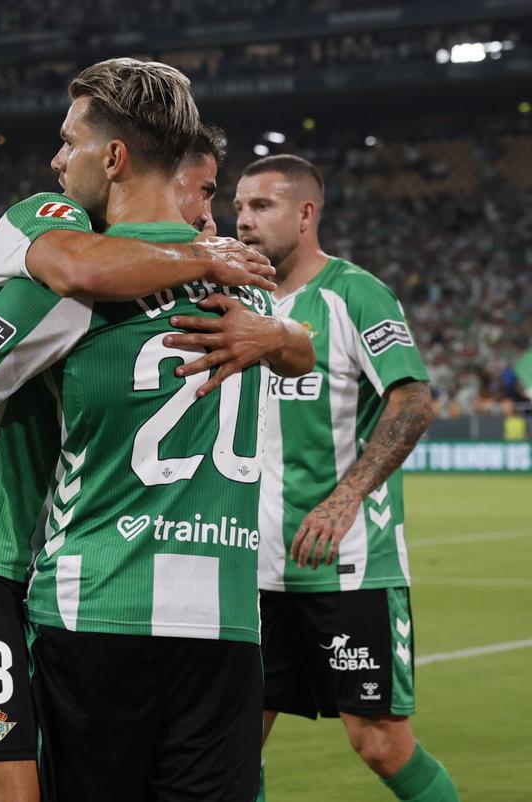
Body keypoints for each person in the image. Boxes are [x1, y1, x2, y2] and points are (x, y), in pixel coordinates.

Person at [0, 59, 313, 801]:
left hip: (96, 607)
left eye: (70, 141)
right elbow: (301, 348)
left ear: (114, 157)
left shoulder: (71, 281)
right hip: (226, 620)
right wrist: (279, 338)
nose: (59, 160)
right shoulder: (246, 279)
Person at [237, 154, 459, 802]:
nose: (244, 221)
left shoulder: (353, 294)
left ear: (306, 214)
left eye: (262, 206)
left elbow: (414, 400)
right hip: (252, 566)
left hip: (347, 561)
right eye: (239, 207)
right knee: (228, 744)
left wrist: (345, 499)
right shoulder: (240, 304)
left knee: (381, 745)